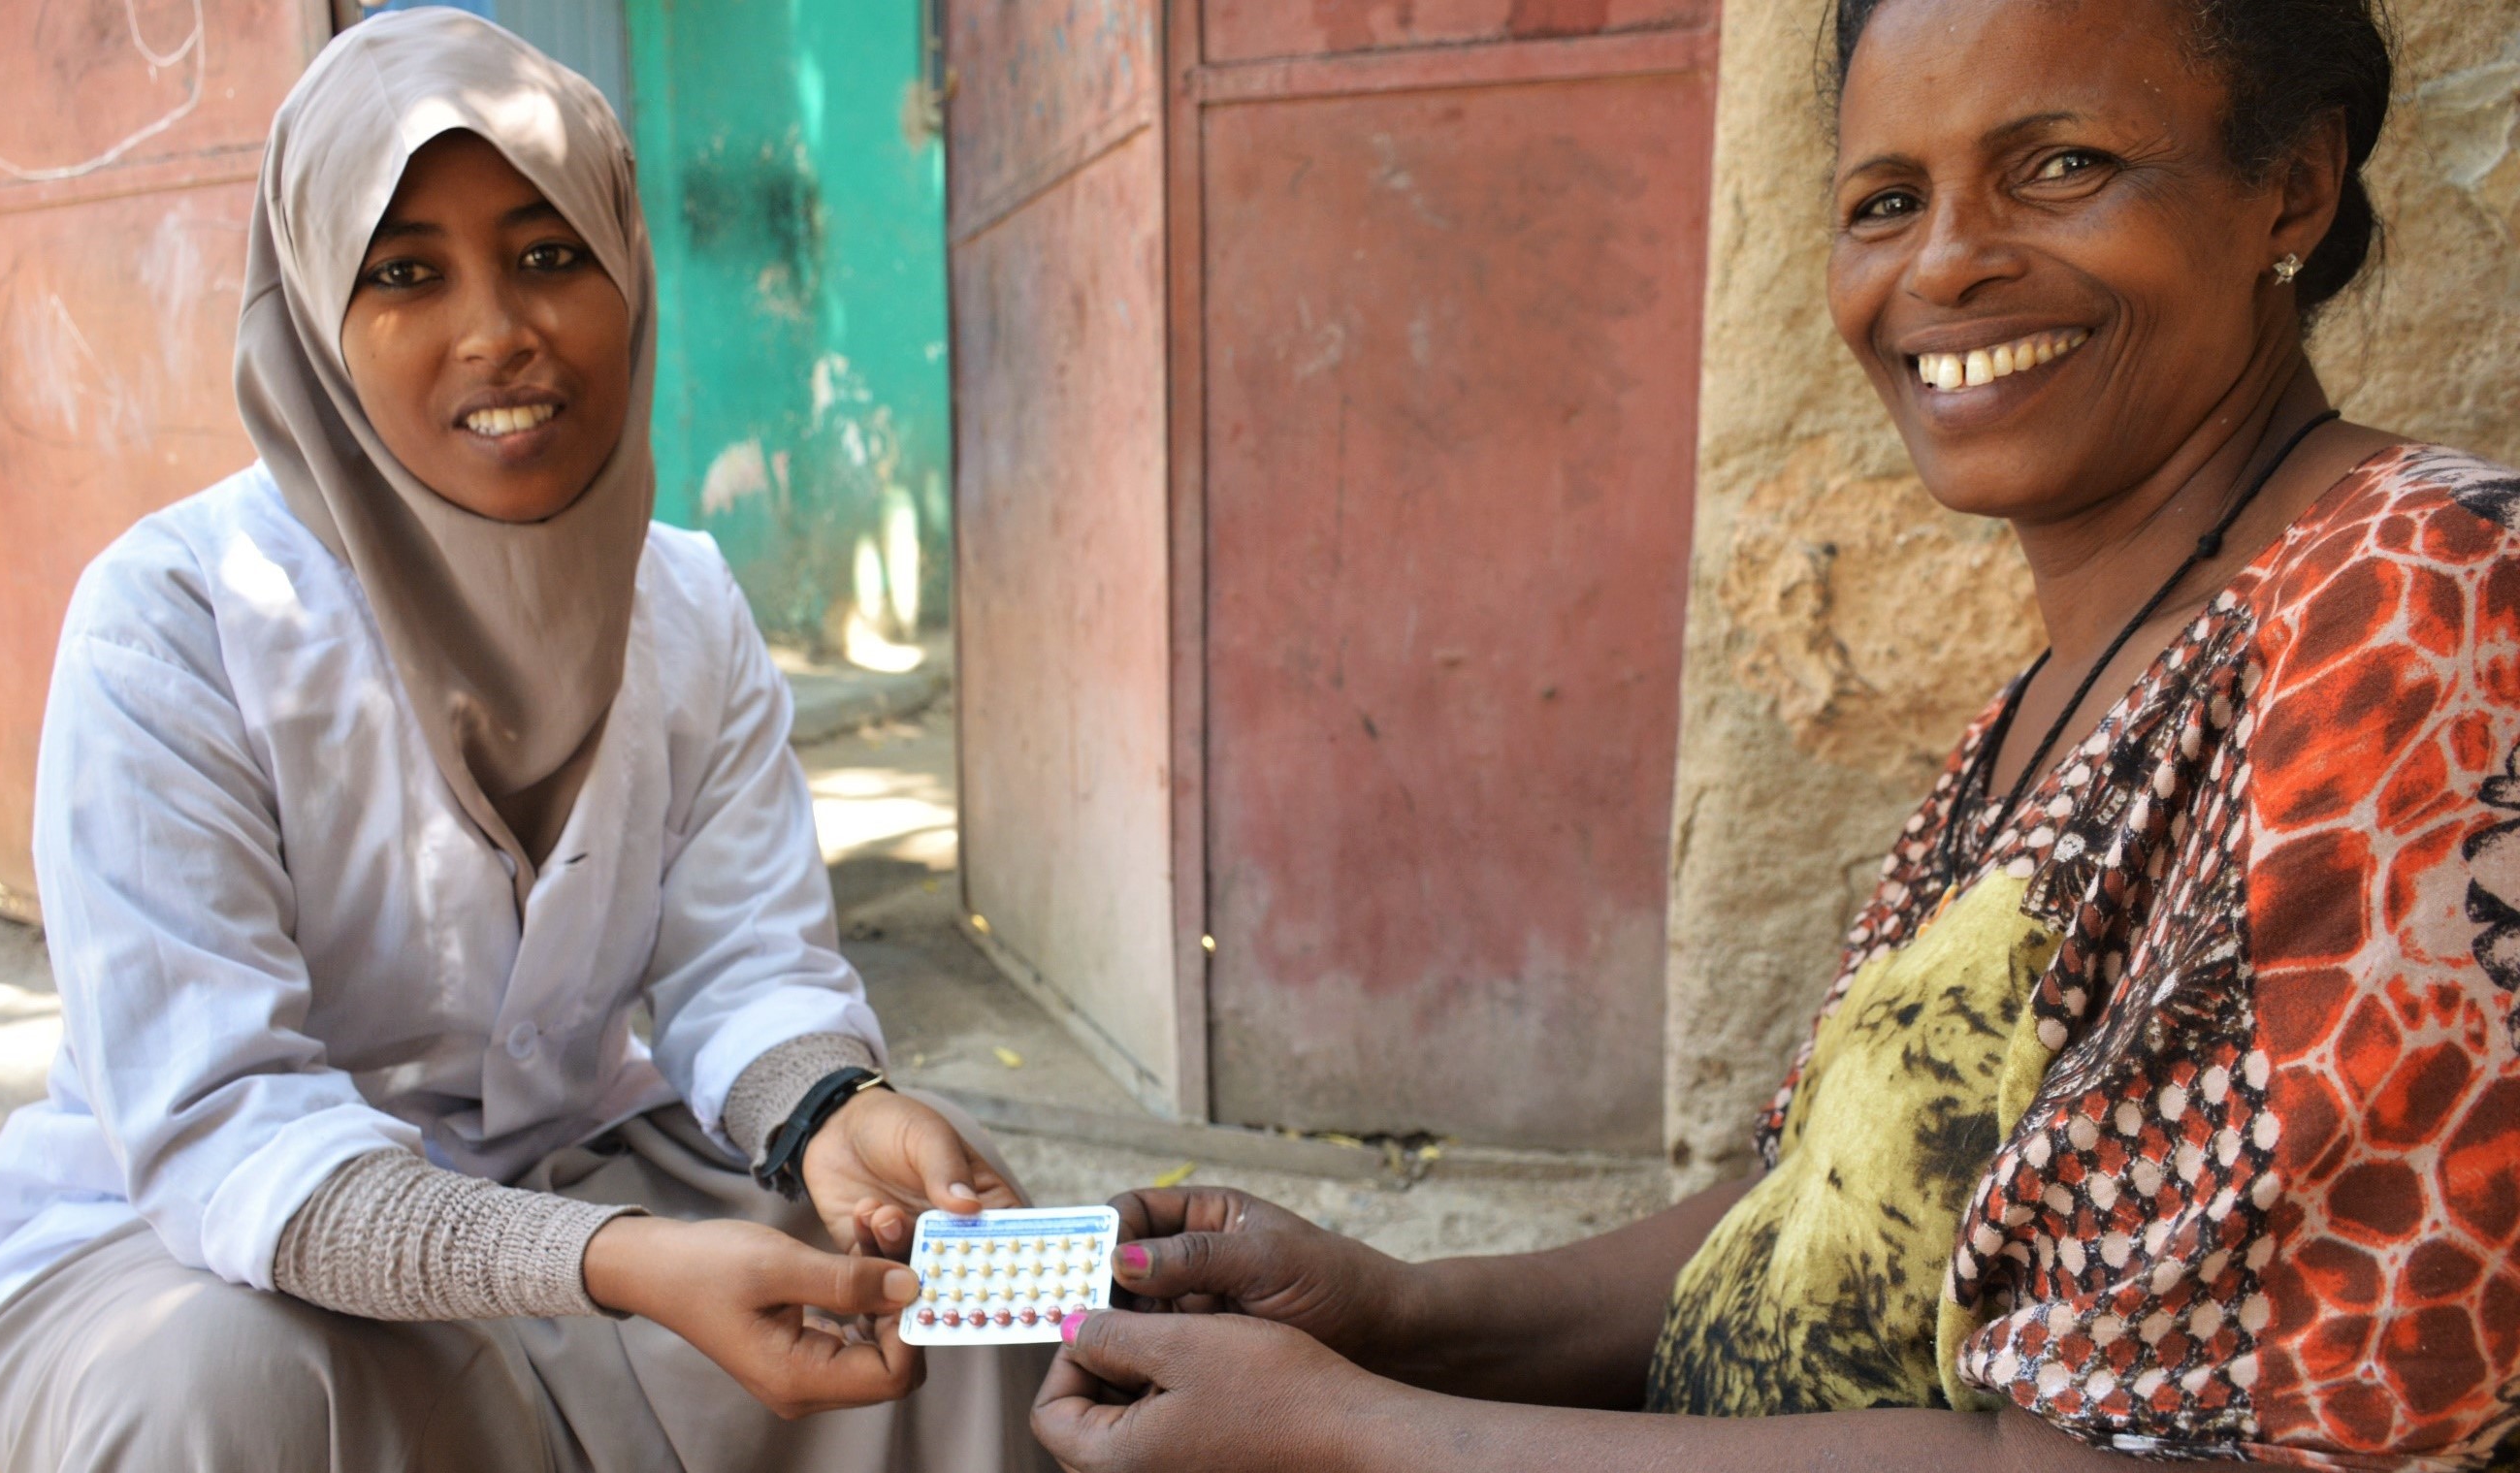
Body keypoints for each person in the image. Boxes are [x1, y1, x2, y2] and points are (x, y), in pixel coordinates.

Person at [1027, 0, 2520, 1468]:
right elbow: (1799, 1215)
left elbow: (2150, 1454)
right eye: (1885, 199)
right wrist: (1397, 1313)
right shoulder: (2066, 693)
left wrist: (1360, 1435)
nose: (1942, 263)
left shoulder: (2421, 609)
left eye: (2061, 164)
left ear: (2295, 185)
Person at [0, 12, 1054, 1470]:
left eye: (550, 255)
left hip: (588, 1173)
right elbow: (221, 1129)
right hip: (206, 1234)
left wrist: (830, 1109)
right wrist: (601, 1262)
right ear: (311, 318)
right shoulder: (175, 621)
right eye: (405, 273)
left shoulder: (685, 602)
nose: (500, 331)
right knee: (224, 1392)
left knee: (967, 1293)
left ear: (629, 275)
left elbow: (743, 965)